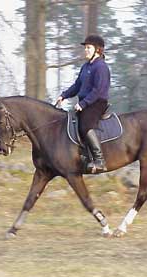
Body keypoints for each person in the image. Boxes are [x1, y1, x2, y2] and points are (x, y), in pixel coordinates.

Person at [55, 35, 110, 173]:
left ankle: (99, 160)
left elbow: (98, 90)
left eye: (88, 48)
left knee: (85, 125)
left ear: (97, 50)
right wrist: (64, 95)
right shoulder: (86, 67)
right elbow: (77, 85)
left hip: (97, 103)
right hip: (86, 102)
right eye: (85, 48)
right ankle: (84, 155)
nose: (85, 50)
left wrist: (84, 104)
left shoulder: (101, 67)